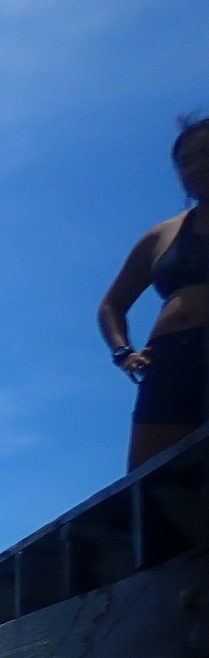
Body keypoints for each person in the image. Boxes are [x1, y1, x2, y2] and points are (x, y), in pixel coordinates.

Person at [98, 115, 209, 470]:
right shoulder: (163, 235)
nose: (196, 166)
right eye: (185, 161)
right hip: (168, 361)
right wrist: (122, 352)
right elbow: (111, 305)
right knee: (154, 483)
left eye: (205, 154)